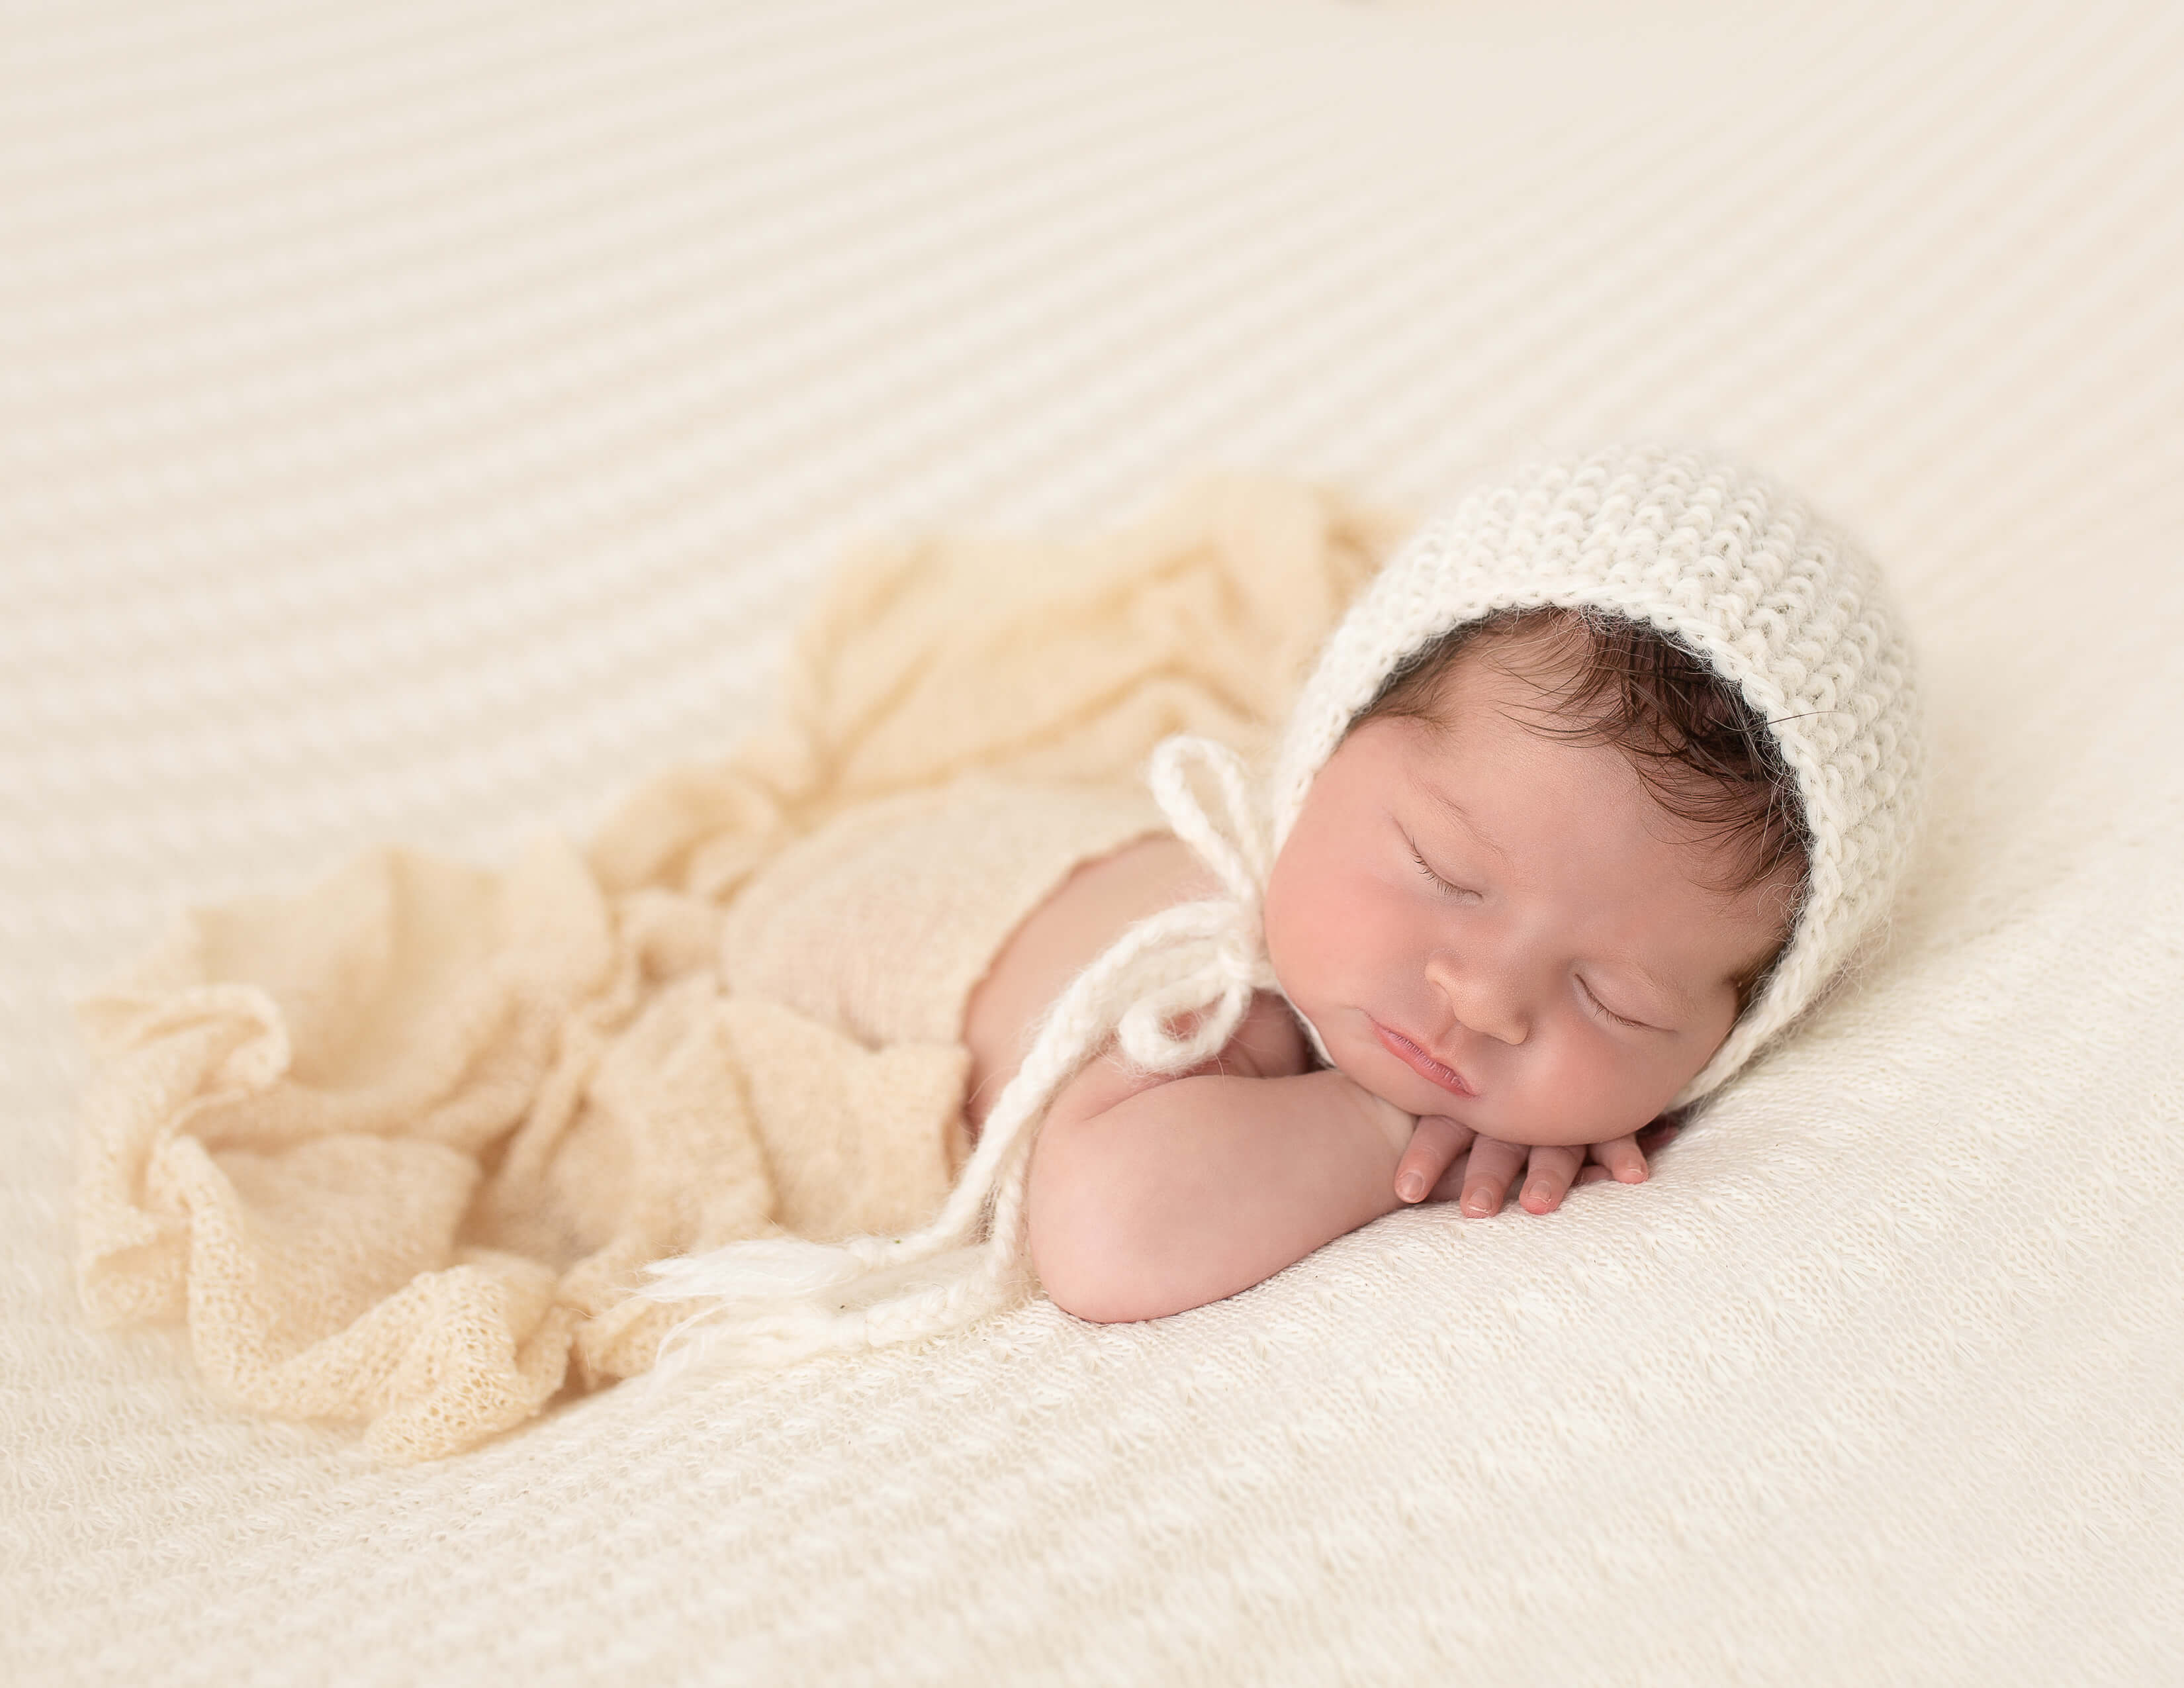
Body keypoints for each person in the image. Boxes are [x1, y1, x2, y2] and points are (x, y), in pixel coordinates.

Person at [643, 444, 1921, 1360]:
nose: (1484, 996)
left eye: (1613, 996)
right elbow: (1105, 1234)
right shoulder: (1219, 995)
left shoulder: (1381, 944)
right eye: (1445, 872)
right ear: (1322, 748)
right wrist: (1378, 1130)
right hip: (864, 906)